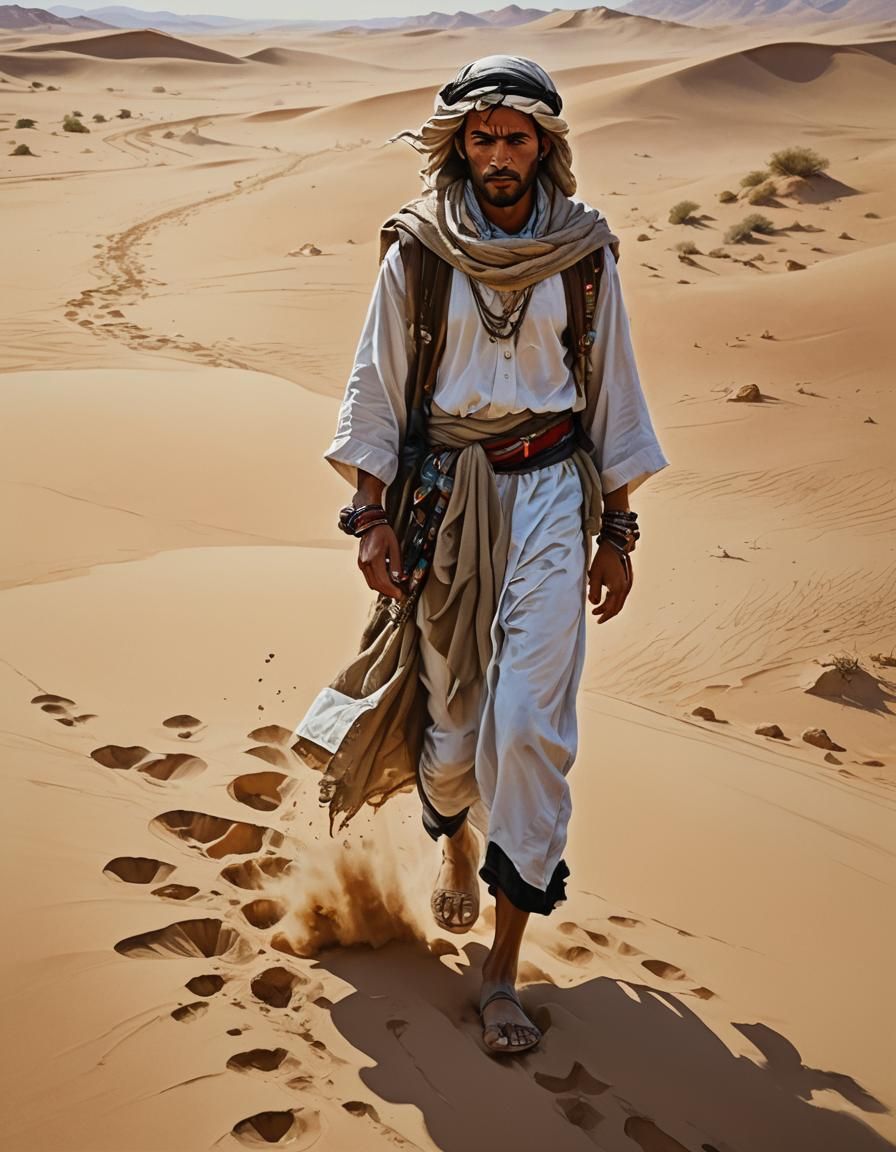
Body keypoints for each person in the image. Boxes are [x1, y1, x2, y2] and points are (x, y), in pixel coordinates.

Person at [296, 56, 668, 1055]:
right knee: (454, 738)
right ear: (457, 144)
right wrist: (369, 519)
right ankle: (455, 845)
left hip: (551, 492)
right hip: (443, 504)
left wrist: (617, 530)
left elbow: (612, 396)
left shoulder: (584, 255)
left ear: (544, 144)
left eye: (517, 138)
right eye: (481, 137)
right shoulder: (416, 253)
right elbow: (374, 389)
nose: (499, 157)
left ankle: (502, 969)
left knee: (528, 725)